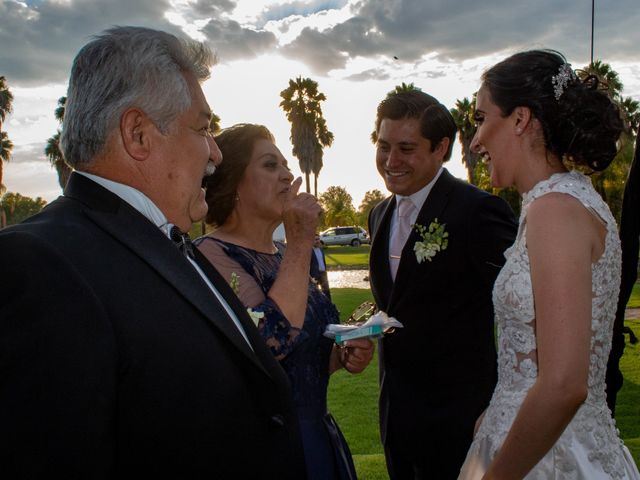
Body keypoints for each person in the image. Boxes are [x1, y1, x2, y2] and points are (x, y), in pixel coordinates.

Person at [0, 27, 306, 479]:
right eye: (203, 129)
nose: (216, 154)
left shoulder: (165, 239)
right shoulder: (37, 264)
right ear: (138, 134)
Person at [458, 50, 640, 479]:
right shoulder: (561, 201)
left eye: (482, 119)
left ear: (520, 119)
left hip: (555, 458)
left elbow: (563, 385)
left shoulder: (555, 209)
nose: (475, 140)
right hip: (533, 439)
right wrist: (499, 410)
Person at [196, 123, 374, 480]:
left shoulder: (283, 254)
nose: (287, 175)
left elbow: (301, 360)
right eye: (269, 165)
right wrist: (301, 243)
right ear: (234, 184)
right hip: (266, 449)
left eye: (285, 165)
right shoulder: (212, 255)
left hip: (317, 436)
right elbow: (270, 342)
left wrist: (343, 355)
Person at [368, 90, 517, 479]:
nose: (391, 161)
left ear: (441, 148)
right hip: (395, 420)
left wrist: (502, 404)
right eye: (384, 146)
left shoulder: (478, 212)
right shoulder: (377, 215)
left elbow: (524, 310)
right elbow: (398, 303)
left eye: (406, 148)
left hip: (461, 422)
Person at [311, 234, 332, 299]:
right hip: (314, 275)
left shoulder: (321, 249)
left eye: (318, 239)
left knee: (326, 291)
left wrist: (325, 270)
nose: (317, 241)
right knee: (315, 293)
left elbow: (323, 261)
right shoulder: (309, 252)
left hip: (323, 273)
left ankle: (330, 307)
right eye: (315, 239)